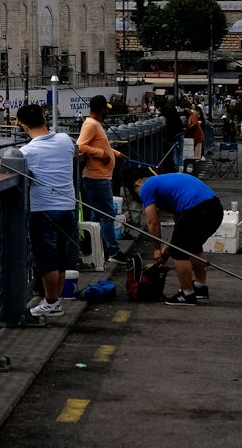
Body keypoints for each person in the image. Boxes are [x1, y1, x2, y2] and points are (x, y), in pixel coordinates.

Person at [0, 103, 77, 318]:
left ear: (22, 125)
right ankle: (54, 301)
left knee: (47, 258)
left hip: (44, 210)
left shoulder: (28, 151)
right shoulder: (65, 140)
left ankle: (51, 301)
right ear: (44, 118)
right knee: (59, 257)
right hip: (68, 208)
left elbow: (4, 167)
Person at [133, 171, 223, 303]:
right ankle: (200, 287)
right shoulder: (171, 188)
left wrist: (157, 248)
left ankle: (187, 294)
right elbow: (178, 228)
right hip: (214, 209)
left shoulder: (146, 186)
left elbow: (152, 222)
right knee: (193, 246)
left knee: (179, 251)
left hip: (197, 209)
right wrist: (166, 250)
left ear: (137, 185)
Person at [76, 95, 121, 262]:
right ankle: (113, 251)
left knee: (97, 214)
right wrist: (102, 154)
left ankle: (96, 247)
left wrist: (114, 153)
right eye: (106, 108)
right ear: (102, 109)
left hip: (100, 176)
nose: (107, 111)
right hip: (96, 177)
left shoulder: (95, 125)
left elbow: (102, 145)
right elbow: (80, 146)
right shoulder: (90, 125)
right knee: (107, 213)